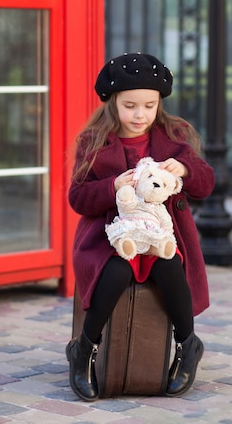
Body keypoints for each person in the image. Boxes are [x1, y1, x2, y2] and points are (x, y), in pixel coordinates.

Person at [66, 52, 215, 402]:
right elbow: (77, 197)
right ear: (113, 103)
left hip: (162, 236)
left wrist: (185, 170)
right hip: (111, 238)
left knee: (170, 265)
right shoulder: (94, 141)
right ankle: (84, 349)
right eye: (130, 105)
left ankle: (188, 344)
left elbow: (206, 184)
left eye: (149, 106)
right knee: (115, 271)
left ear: (159, 104)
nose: (139, 115)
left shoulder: (174, 135)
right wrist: (112, 186)